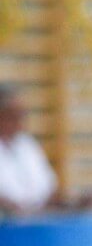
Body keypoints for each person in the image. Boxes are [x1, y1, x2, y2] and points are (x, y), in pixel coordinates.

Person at [0, 84, 58, 217]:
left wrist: (70, 203)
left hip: (37, 220)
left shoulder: (27, 145)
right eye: (12, 115)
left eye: (22, 115)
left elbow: (48, 189)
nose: (20, 121)